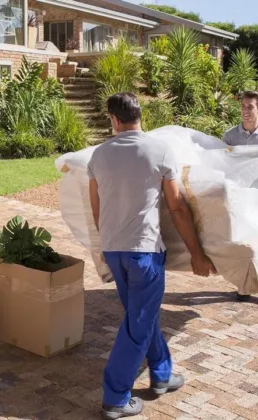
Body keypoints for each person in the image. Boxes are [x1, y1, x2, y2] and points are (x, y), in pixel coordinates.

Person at [88, 93, 217, 419]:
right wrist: (196, 253)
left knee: (141, 316)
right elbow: (177, 207)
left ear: (114, 120)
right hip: (143, 252)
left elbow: (96, 207)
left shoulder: (98, 156)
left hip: (114, 250)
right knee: (138, 324)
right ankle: (115, 397)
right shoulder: (160, 150)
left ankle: (161, 374)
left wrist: (104, 245)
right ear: (139, 116)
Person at [222, 90, 258, 302]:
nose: (245, 111)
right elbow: (224, 165)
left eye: (250, 107)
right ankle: (244, 286)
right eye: (243, 106)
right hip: (240, 197)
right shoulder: (230, 136)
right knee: (244, 243)